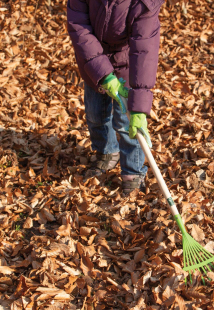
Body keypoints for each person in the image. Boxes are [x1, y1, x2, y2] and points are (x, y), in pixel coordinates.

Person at [67, 0, 164, 194]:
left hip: (127, 64)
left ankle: (133, 172)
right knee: (95, 114)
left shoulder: (144, 4)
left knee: (126, 122)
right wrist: (102, 73)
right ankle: (107, 151)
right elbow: (79, 28)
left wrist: (138, 106)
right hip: (93, 61)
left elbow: (144, 51)